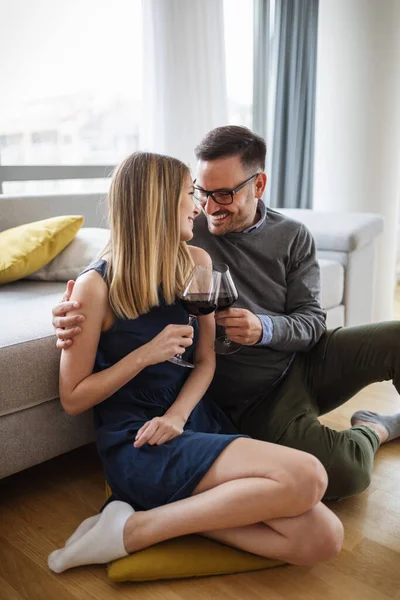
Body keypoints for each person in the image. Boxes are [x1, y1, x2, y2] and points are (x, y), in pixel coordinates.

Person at [53, 127, 400, 502]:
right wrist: (71, 306)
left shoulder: (293, 236)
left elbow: (313, 322)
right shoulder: (185, 230)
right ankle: (372, 428)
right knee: (346, 473)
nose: (208, 206)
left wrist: (263, 328)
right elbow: (125, 250)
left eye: (224, 194)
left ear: (259, 185)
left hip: (303, 362)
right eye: (201, 192)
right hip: (254, 401)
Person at [47, 151, 343, 574]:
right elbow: (73, 399)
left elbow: (205, 361)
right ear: (160, 203)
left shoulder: (197, 263)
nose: (198, 205)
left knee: (323, 538)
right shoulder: (95, 286)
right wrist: (145, 355)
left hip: (192, 418)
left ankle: (133, 527)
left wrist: (179, 416)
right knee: (308, 477)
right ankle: (137, 516)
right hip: (138, 437)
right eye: (190, 194)